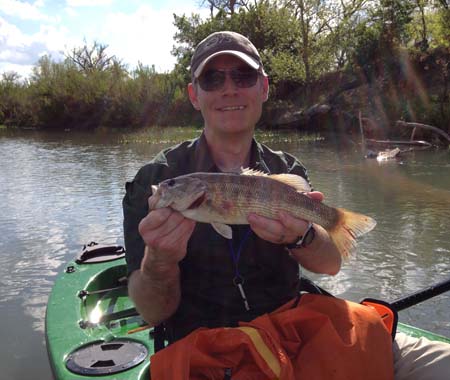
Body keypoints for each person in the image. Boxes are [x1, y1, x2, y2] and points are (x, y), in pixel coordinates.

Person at [123, 31, 450, 379]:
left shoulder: (288, 170)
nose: (229, 88)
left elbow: (330, 265)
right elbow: (153, 313)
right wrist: (159, 260)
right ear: (194, 95)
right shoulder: (153, 180)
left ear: (263, 88)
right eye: (212, 78)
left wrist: (303, 236)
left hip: (297, 337)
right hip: (209, 354)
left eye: (243, 76)